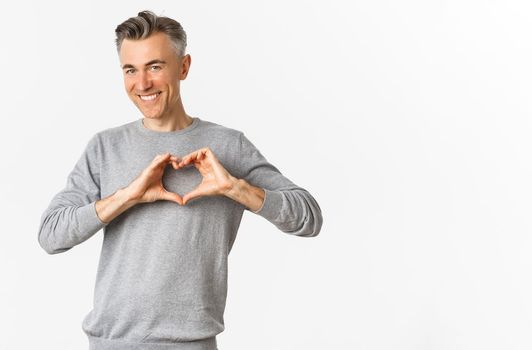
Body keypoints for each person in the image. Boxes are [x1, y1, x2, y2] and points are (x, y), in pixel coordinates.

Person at [37, 10, 323, 350]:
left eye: (155, 67)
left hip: (192, 344)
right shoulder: (104, 147)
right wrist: (127, 196)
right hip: (110, 343)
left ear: (183, 67)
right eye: (131, 70)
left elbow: (309, 218)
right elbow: (51, 235)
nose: (142, 84)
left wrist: (236, 188)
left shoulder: (228, 147)